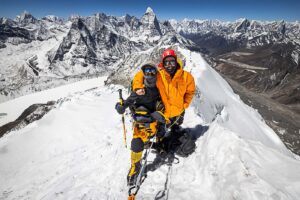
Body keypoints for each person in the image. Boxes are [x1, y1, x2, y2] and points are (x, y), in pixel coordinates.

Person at [115, 63, 169, 186]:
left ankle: (159, 142)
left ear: (156, 73)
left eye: (152, 71)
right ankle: (135, 166)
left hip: (153, 120)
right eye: (147, 71)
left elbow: (165, 104)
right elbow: (127, 102)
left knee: (159, 132)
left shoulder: (160, 89)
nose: (149, 74)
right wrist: (120, 107)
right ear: (143, 73)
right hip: (141, 122)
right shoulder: (139, 90)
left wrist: (161, 115)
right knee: (136, 142)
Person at [133, 48, 196, 133]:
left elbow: (190, 92)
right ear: (163, 64)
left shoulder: (186, 77)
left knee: (175, 130)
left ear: (176, 61)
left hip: (178, 113)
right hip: (163, 114)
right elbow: (141, 73)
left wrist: (184, 105)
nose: (170, 65)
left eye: (172, 61)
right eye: (167, 62)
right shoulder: (159, 75)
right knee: (160, 133)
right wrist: (137, 87)